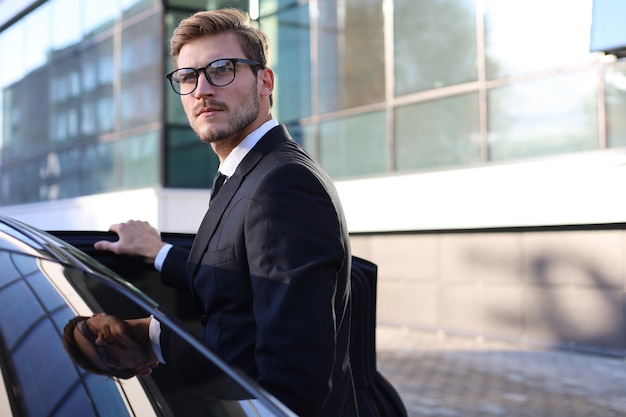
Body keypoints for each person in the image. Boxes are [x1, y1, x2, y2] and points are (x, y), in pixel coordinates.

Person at [84, 8, 356, 417]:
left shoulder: (282, 184)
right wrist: (158, 252)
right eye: (189, 77)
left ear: (265, 82)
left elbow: (294, 384)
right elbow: (237, 274)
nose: (202, 89)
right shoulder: (247, 171)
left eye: (222, 69)